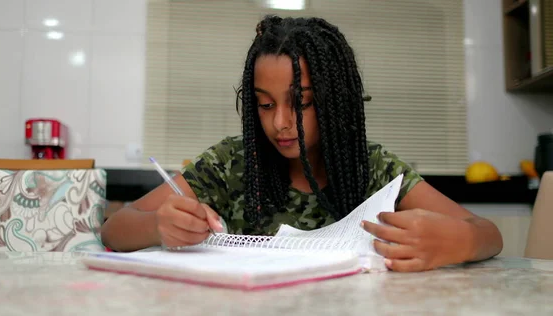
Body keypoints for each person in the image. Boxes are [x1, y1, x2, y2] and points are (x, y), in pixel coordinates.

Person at [101, 15, 503, 272]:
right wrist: (159, 225)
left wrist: (458, 241)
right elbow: (115, 230)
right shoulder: (231, 162)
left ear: (335, 100)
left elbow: (486, 232)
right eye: (264, 104)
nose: (279, 123)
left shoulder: (372, 168)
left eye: (302, 102)